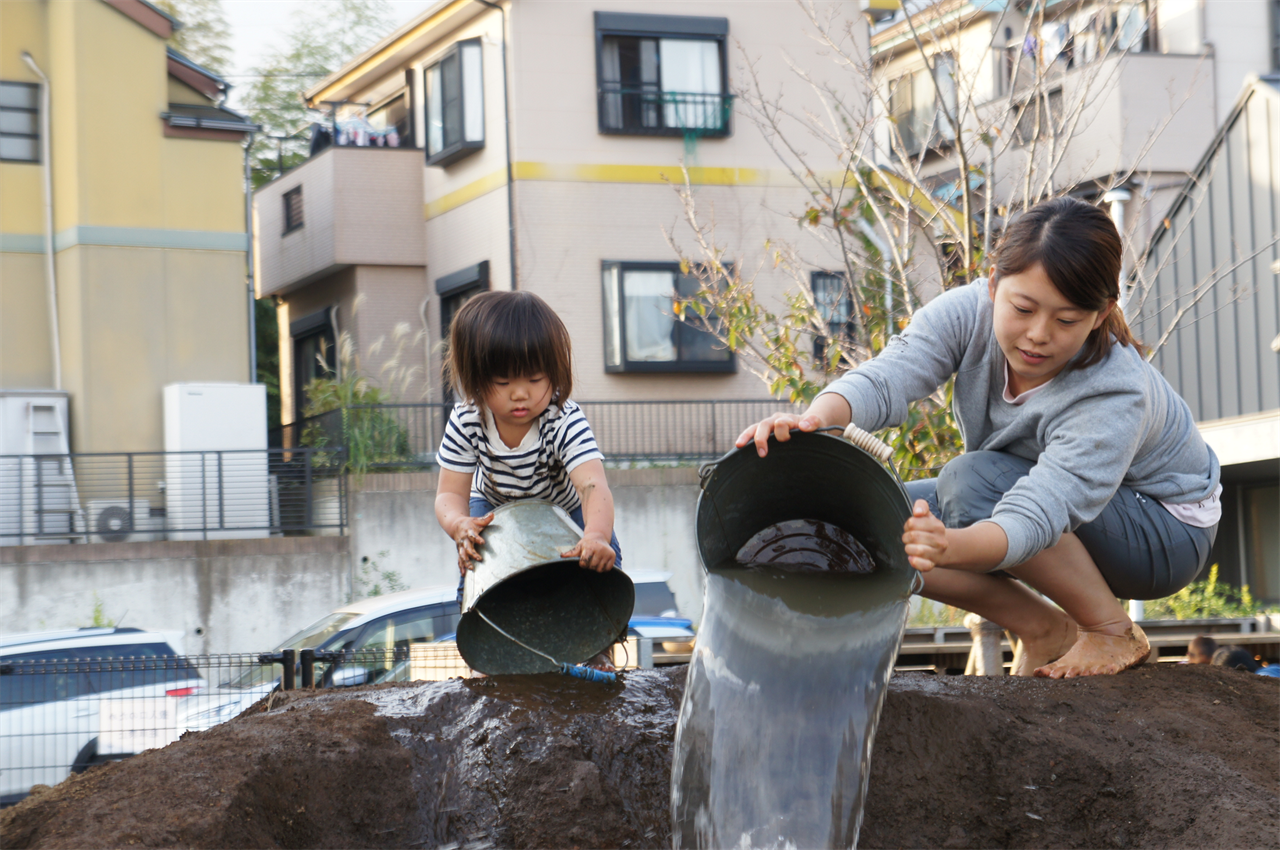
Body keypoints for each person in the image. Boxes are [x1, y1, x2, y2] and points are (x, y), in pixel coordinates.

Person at [737, 197, 1220, 679]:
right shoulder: (967, 314)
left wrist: (952, 546)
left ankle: (1111, 630)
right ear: (993, 285)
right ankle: (1040, 627)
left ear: (1100, 314)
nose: (1037, 334)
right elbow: (889, 376)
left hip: (1165, 530)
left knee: (971, 483)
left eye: (1066, 320)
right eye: (1023, 308)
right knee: (866, 521)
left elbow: (1041, 510)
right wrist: (814, 421)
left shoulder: (1113, 389)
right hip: (1042, 503)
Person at [434, 291, 622, 669]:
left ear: (554, 374)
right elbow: (448, 495)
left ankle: (598, 646)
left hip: (564, 509)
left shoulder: (562, 418)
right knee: (475, 564)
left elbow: (592, 486)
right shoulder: (468, 419)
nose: (520, 394)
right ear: (477, 377)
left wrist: (597, 536)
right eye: (503, 382)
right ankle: (486, 639)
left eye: (535, 379)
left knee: (601, 566)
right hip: (494, 509)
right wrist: (459, 525)